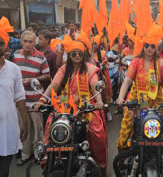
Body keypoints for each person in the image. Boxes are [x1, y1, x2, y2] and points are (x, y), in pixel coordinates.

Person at [34, 41, 108, 174]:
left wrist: (99, 102)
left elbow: (94, 85)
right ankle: (47, 158)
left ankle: (100, 166)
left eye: (80, 53)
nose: (77, 56)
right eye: (74, 53)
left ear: (84, 55)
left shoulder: (90, 68)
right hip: (64, 108)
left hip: (85, 108)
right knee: (51, 123)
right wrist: (42, 99)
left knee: (98, 134)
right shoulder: (63, 69)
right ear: (70, 55)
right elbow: (54, 85)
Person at [116, 25, 163, 153]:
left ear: (156, 47)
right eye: (147, 46)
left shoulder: (161, 63)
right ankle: (121, 160)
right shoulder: (136, 62)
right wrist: (121, 98)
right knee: (125, 133)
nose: (149, 48)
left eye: (152, 46)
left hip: (156, 103)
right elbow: (127, 80)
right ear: (143, 46)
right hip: (136, 102)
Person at [0, 18, 28, 177]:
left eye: (0, 43)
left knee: (3, 173)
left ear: (6, 45)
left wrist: (24, 123)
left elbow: (20, 98)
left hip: (7, 129)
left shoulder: (14, 69)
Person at [13, 30, 51, 166]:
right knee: (23, 127)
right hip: (20, 99)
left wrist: (32, 79)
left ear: (34, 43)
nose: (28, 44)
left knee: (39, 129)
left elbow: (47, 75)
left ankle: (39, 154)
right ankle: (25, 154)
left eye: (30, 41)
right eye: (25, 41)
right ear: (21, 42)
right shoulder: (16, 55)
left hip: (35, 99)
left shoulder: (41, 57)